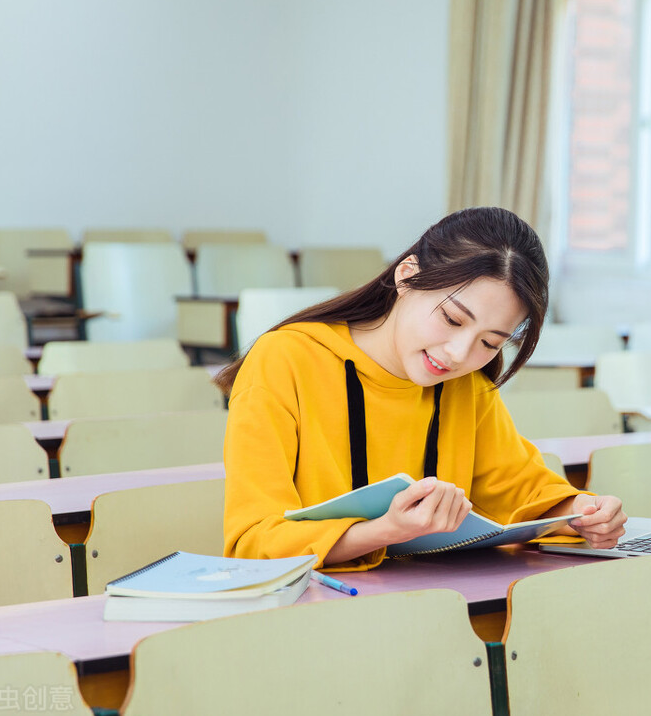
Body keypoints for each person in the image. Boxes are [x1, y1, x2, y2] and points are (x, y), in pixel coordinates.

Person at [217, 207, 627, 571]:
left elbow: (524, 491)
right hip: (318, 619)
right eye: (452, 319)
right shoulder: (285, 360)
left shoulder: (468, 385)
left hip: (438, 612)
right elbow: (252, 542)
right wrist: (384, 531)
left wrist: (584, 512)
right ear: (407, 275)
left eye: (489, 343)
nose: (458, 354)